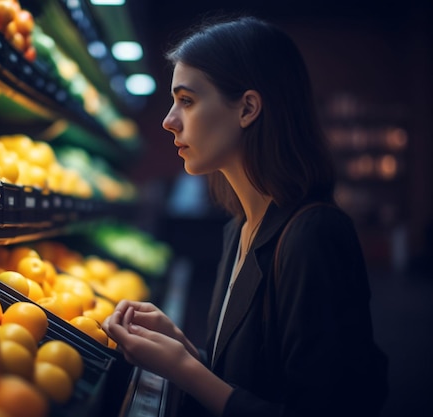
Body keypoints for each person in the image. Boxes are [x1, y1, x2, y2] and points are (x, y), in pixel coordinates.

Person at [102, 14, 388, 417]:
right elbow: (251, 382)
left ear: (248, 108)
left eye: (187, 100)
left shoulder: (314, 235)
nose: (169, 120)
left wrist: (184, 370)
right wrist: (182, 348)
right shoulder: (240, 228)